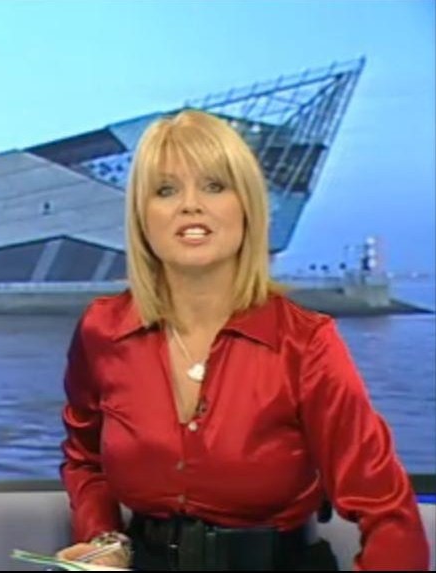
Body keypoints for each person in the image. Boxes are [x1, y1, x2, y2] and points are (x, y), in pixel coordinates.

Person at [56, 109, 429, 570]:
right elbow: (86, 460)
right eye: (166, 190)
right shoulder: (103, 330)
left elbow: (390, 514)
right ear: (141, 217)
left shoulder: (304, 343)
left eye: (214, 186)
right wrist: (105, 542)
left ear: (248, 208)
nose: (190, 205)